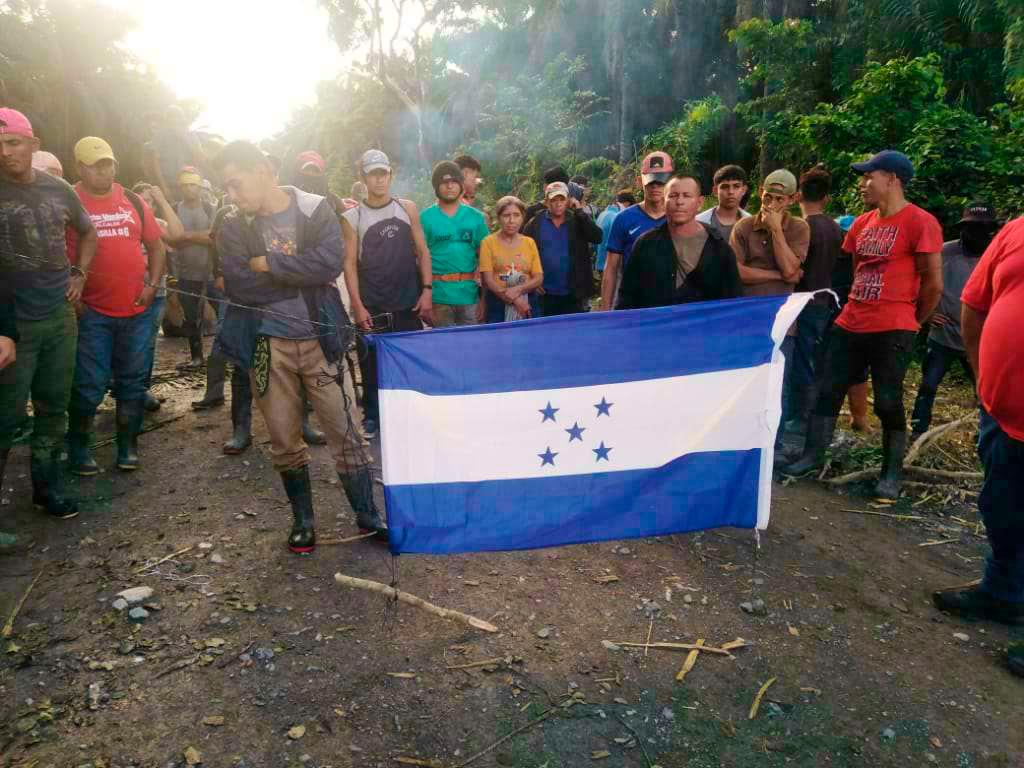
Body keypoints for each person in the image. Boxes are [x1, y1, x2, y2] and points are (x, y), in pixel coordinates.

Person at [211, 140, 386, 553]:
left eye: (236, 183)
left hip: (321, 341)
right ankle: (303, 521)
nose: (231, 195)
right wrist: (301, 276)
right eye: (226, 187)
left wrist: (270, 264)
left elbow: (329, 263)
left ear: (262, 171)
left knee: (347, 432)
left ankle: (368, 515)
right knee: (284, 439)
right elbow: (239, 284)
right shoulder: (233, 223)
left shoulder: (314, 208)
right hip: (265, 347)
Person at [784, 150, 943, 501]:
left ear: (893, 179)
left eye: (870, 176)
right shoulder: (861, 223)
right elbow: (858, 269)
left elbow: (933, 283)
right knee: (827, 388)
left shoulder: (920, 222)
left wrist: (913, 322)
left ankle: (891, 474)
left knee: (887, 400)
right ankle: (812, 455)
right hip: (852, 320)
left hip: (893, 325)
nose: (863, 183)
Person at [933, 215, 1024, 676]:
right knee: (1000, 508)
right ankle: (1003, 592)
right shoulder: (1017, 230)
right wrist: (985, 380)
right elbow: (976, 302)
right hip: (1003, 412)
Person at [0, 109, 97, 522]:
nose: (5, 153)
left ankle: (47, 488)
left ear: (33, 144)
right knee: (5, 416)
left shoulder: (58, 189)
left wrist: (80, 274)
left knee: (54, 407)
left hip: (59, 317)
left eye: (12, 143)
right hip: (11, 325)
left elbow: (88, 231)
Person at [65, 136, 166, 475]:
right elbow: (54, 252)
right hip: (92, 312)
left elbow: (157, 247)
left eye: (108, 164)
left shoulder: (133, 200)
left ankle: (128, 447)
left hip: (137, 311)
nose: (104, 171)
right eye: (96, 166)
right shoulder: (68, 200)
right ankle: (79, 448)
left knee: (133, 382)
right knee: (89, 384)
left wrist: (152, 285)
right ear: (80, 167)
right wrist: (72, 298)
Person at [342, 149, 432, 436]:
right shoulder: (352, 216)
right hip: (373, 302)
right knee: (370, 362)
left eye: (383, 173)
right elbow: (349, 264)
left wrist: (427, 290)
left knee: (409, 359)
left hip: (408, 300)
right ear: (363, 178)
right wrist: (357, 305)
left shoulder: (407, 208)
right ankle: (373, 416)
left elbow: (422, 250)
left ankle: (412, 412)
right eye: (373, 175)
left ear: (390, 175)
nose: (379, 180)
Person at [731, 169, 810, 462]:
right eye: (768, 197)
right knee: (746, 383)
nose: (772, 204)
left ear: (791, 200)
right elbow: (737, 272)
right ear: (760, 194)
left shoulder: (799, 228)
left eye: (779, 199)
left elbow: (791, 269)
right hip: (748, 320)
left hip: (782, 322)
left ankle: (772, 447)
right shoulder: (744, 227)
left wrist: (776, 230)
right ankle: (743, 444)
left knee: (778, 385)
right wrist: (778, 275)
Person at [909, 202, 999, 439]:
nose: (975, 234)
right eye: (970, 228)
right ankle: (918, 431)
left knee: (986, 391)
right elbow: (921, 282)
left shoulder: (997, 255)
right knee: (928, 386)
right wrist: (927, 314)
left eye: (982, 229)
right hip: (943, 336)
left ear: (991, 230)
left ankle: (986, 437)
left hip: (980, 341)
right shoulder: (945, 252)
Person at [617, 175, 742, 309]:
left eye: (687, 196)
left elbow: (733, 303)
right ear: (664, 202)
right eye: (673, 196)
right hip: (658, 321)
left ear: (699, 203)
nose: (679, 202)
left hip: (704, 321)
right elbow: (627, 298)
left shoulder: (719, 247)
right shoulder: (645, 244)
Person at [786, 166, 843, 447]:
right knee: (813, 361)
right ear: (826, 198)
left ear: (797, 196)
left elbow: (794, 269)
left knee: (800, 363)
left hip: (802, 302)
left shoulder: (803, 227)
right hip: (824, 301)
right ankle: (805, 421)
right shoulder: (835, 228)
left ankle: (799, 423)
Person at [133, 181, 184, 411]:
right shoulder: (125, 222)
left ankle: (142, 389)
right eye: (142, 200)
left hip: (157, 292)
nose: (148, 205)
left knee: (148, 344)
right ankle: (126, 387)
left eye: (151, 201)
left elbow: (177, 235)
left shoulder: (158, 223)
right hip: (129, 292)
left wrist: (163, 200)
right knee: (129, 342)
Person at [601, 151, 673, 310]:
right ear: (640, 182)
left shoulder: (679, 217)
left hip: (670, 302)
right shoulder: (623, 219)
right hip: (632, 302)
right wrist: (605, 310)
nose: (655, 187)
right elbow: (611, 267)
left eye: (661, 182)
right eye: (650, 182)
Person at [421, 161, 488, 327]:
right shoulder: (424, 218)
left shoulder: (476, 217)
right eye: (444, 182)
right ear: (436, 187)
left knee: (471, 341)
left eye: (454, 182)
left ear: (461, 185)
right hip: (438, 298)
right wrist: (424, 295)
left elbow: (486, 260)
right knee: (442, 342)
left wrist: (484, 300)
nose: (449, 186)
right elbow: (419, 259)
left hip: (469, 296)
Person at [522, 181, 602, 316]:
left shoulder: (577, 220)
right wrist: (530, 278)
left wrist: (580, 211)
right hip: (544, 293)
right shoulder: (536, 222)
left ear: (568, 200)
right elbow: (522, 251)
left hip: (573, 293)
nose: (558, 203)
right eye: (554, 200)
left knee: (573, 327)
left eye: (562, 199)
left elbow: (597, 237)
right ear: (547, 201)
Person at [171, 167, 219, 373]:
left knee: (224, 314)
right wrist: (199, 236)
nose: (189, 189)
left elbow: (215, 236)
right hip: (185, 273)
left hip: (212, 273)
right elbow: (170, 237)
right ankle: (197, 357)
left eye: (193, 185)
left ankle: (227, 355)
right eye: (185, 185)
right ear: (180, 187)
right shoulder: (174, 209)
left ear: (200, 187)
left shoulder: (211, 208)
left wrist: (185, 236)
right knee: (191, 318)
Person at [832, 213, 870, 432]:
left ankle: (859, 419)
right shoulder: (828, 256)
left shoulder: (865, 259)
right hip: (830, 318)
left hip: (856, 319)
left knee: (858, 370)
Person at [480, 196, 543, 322]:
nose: (511, 220)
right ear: (499, 218)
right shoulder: (488, 243)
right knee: (501, 335)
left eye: (516, 215)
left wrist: (518, 290)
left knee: (530, 334)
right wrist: (516, 300)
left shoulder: (529, 242)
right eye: (506, 215)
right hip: (497, 303)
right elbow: (488, 280)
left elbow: (538, 278)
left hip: (528, 302)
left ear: (522, 217)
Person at [143, 105, 203, 202]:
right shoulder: (161, 135)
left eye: (178, 117)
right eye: (172, 118)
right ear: (168, 120)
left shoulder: (191, 136)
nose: (176, 121)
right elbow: (155, 163)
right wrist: (164, 187)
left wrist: (198, 183)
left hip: (188, 184)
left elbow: (198, 159)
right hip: (169, 185)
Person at [696, 164, 751, 240]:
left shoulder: (751, 223)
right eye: (725, 187)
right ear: (715, 191)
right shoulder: (699, 221)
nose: (731, 192)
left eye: (736, 186)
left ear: (744, 190)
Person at [596, 191, 636, 273]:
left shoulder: (602, 214)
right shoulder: (617, 217)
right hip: (612, 266)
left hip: (600, 263)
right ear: (627, 203)